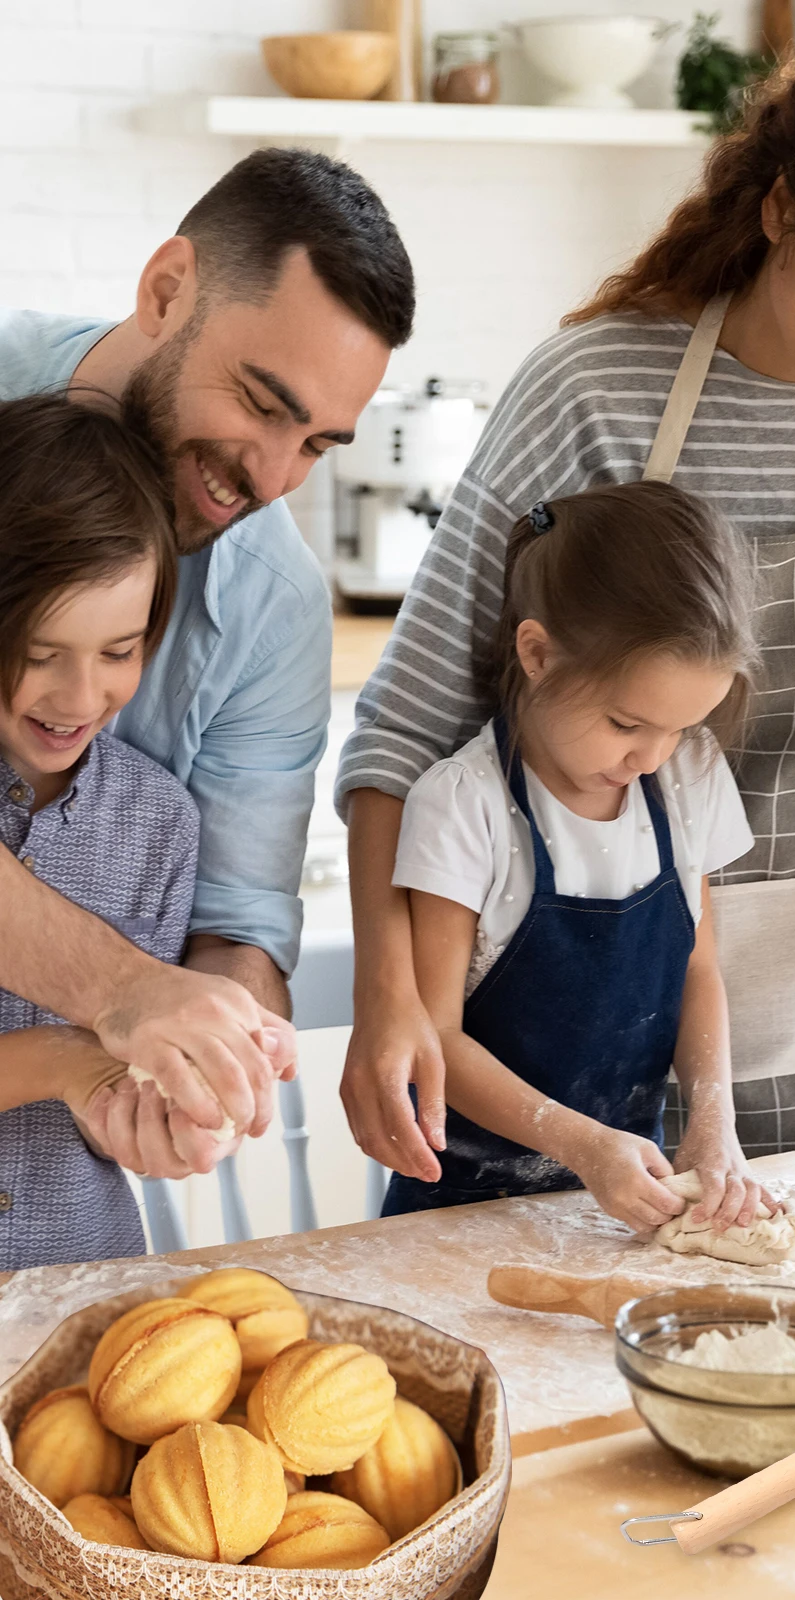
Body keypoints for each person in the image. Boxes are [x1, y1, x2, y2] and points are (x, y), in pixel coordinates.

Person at [338, 9, 795, 1182]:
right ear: (781, 207)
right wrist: (387, 1002)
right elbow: (408, 726)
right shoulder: (595, 386)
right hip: (535, 1071)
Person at [0, 148, 414, 1176]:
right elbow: (133, 990)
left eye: (318, 443)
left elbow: (236, 930)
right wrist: (119, 990)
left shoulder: (273, 611)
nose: (273, 477)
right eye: (264, 403)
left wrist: (220, 1060)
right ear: (166, 289)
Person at [384, 481, 770, 1233]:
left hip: (626, 1210)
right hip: (459, 1211)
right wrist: (584, 1146)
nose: (650, 756)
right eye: (627, 722)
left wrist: (712, 1119)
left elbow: (697, 970)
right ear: (536, 653)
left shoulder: (687, 774)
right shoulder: (465, 806)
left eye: (680, 727)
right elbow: (437, 1038)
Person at [0, 393, 244, 1268]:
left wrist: (155, 1116)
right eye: (37, 652)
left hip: (85, 1282)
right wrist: (71, 1062)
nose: (79, 699)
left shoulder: (158, 824)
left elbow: (114, 1105)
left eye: (117, 652)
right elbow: (90, 1053)